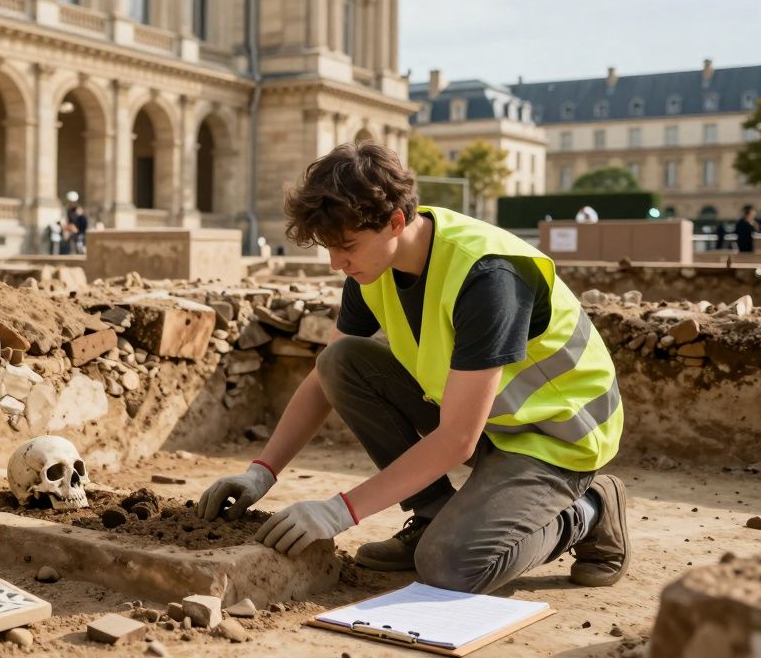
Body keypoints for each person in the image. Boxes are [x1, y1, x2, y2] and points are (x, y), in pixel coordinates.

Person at [196, 141, 628, 595]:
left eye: (346, 246)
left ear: (395, 221)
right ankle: (432, 515)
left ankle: (591, 508)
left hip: (557, 437)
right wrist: (261, 471)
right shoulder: (371, 266)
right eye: (328, 247)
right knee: (341, 362)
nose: (335, 262)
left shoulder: (488, 277)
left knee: (450, 567)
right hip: (490, 422)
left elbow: (458, 440)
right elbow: (326, 378)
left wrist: (340, 511)